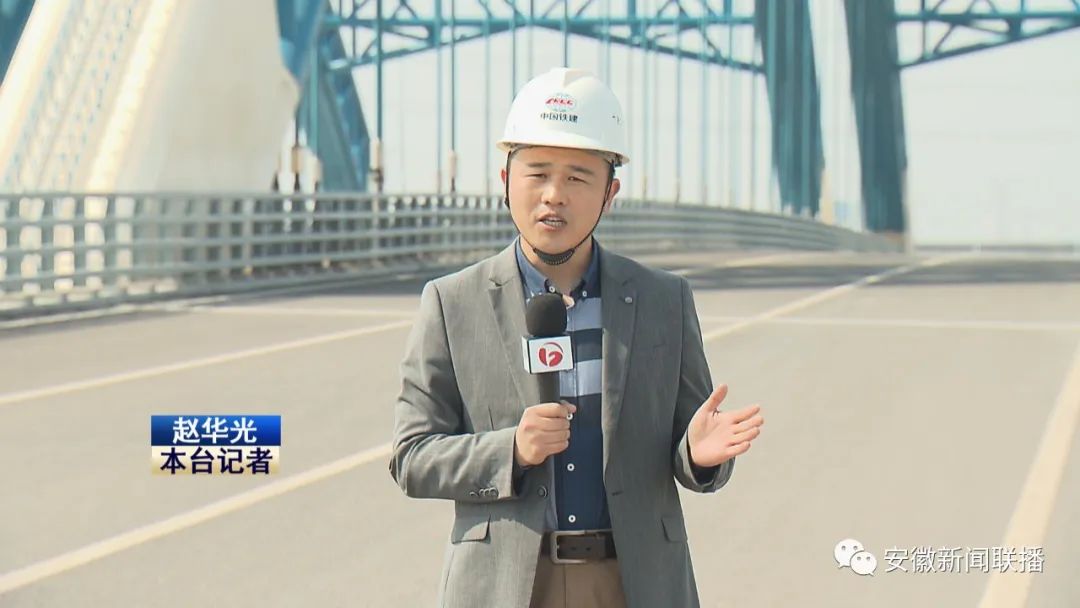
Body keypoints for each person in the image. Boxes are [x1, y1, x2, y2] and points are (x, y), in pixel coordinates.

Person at [390, 67, 764, 608]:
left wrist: (699, 455)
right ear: (505, 180)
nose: (554, 195)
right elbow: (412, 456)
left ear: (610, 193)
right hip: (505, 586)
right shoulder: (452, 303)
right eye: (538, 173)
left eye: (577, 178)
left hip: (631, 582)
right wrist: (511, 450)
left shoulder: (663, 300)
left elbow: (689, 446)